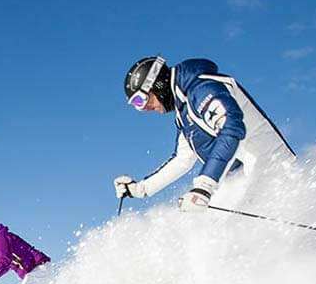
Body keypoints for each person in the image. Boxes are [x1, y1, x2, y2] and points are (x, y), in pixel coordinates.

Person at [114, 56, 296, 211]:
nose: (144, 108)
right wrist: (140, 189)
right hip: (243, 182)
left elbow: (231, 128)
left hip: (273, 173)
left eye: (141, 100)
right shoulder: (183, 114)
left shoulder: (202, 88)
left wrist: (205, 185)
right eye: (136, 105)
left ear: (158, 85)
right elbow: (182, 159)